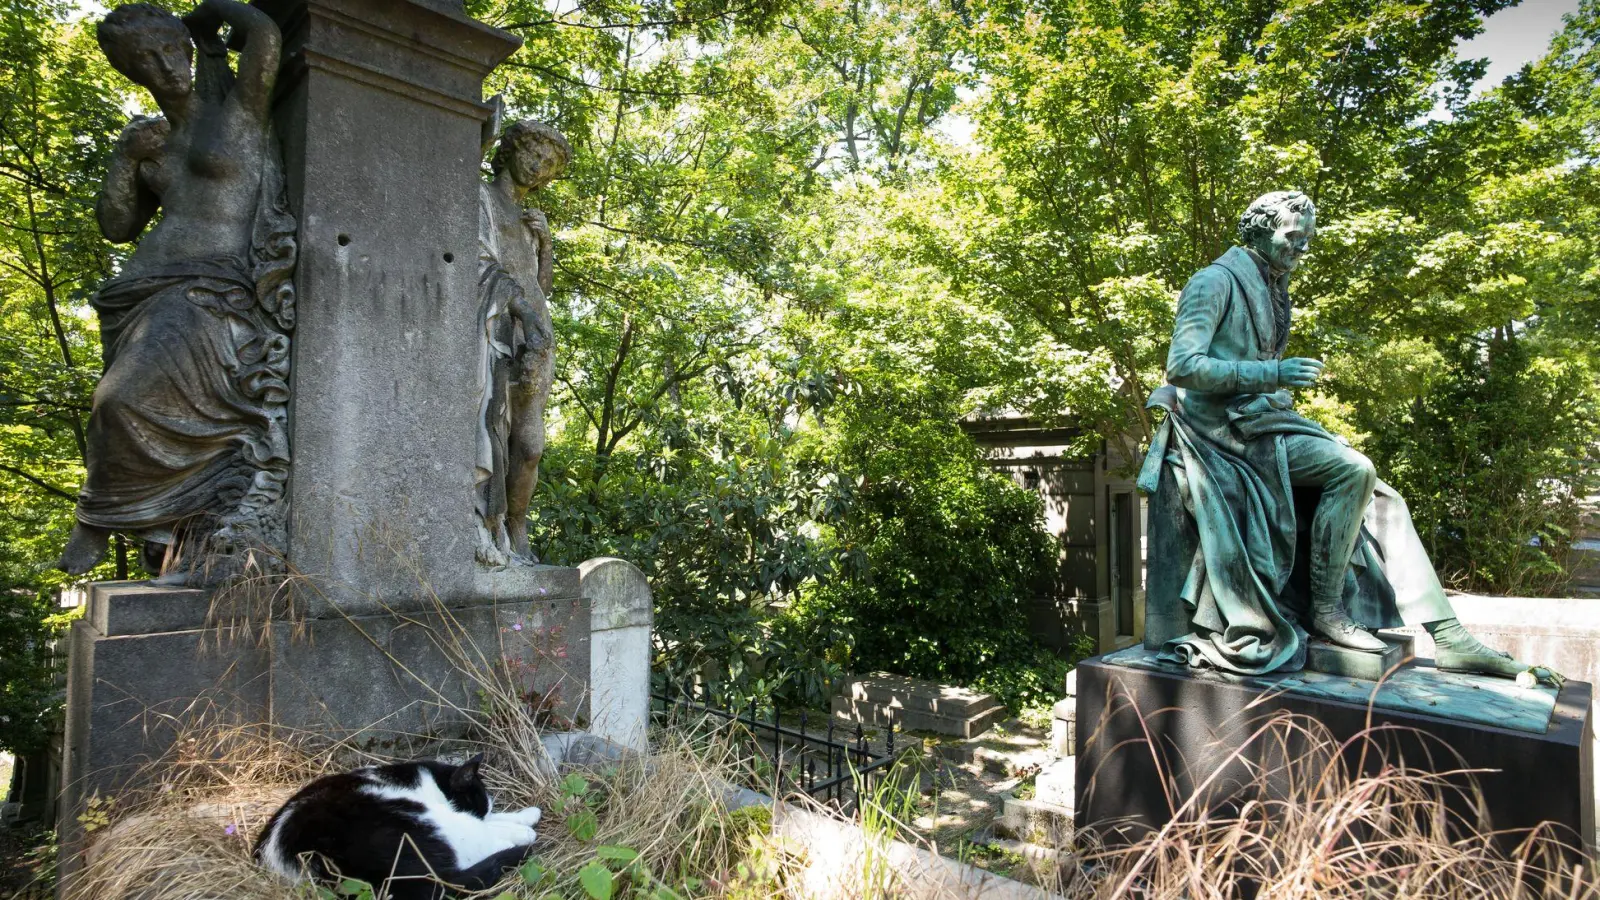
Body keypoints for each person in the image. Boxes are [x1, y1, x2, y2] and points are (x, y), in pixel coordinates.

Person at [1139, 191, 1557, 683]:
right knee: (1352, 469)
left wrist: (1271, 382)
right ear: (1257, 231)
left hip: (1263, 422)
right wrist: (1271, 372)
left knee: (1378, 494)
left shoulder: (1273, 288)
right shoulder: (1215, 281)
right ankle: (1327, 610)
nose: (1303, 249)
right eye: (1294, 237)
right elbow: (1182, 366)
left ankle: (1449, 637)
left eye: (1307, 240)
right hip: (1221, 435)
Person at [57, 0, 296, 582]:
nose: (164, 67)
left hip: (216, 285)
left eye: (170, 51)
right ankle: (166, 532)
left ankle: (100, 512)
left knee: (122, 400)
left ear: (187, 47)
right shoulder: (148, 139)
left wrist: (208, 11)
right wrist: (123, 159)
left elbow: (263, 34)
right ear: (130, 71)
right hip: (145, 288)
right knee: (124, 402)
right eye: (146, 60)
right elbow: (117, 226)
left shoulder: (238, 109)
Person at [474, 120, 570, 566]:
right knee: (496, 431)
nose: (538, 168)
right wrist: (521, 313)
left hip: (537, 336)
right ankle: (494, 530)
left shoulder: (532, 223)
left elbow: (541, 285)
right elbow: (479, 263)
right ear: (510, 150)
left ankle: (519, 525)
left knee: (530, 446)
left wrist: (547, 242)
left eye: (548, 166)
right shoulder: (482, 200)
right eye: (534, 154)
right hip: (498, 328)